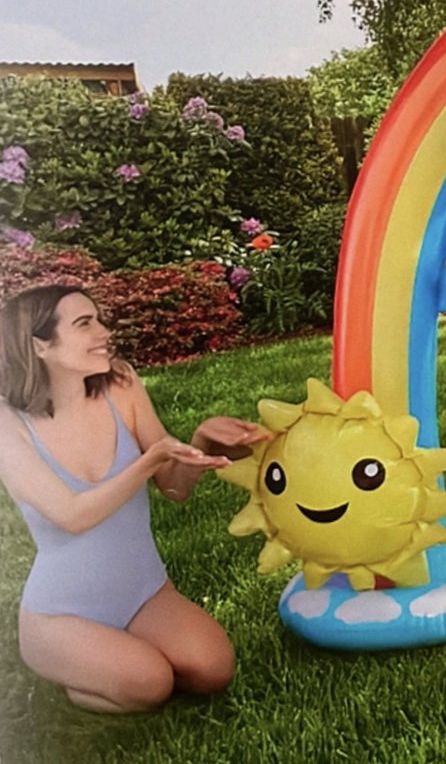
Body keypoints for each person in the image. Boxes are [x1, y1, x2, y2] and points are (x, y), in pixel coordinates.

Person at [0, 284, 267, 713]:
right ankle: (84, 674)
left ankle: (119, 654)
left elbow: (174, 488)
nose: (104, 332)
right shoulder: (8, 423)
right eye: (85, 324)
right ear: (40, 345)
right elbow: (71, 515)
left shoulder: (119, 384)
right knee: (151, 684)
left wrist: (201, 443)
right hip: (61, 614)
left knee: (213, 669)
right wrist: (146, 462)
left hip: (143, 592)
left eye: (99, 319)